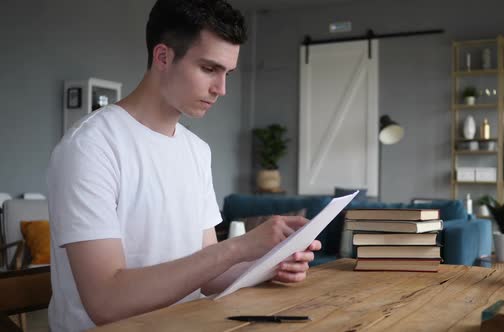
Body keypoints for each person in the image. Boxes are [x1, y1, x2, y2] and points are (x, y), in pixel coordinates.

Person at [46, 0, 321, 330]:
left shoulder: (196, 151)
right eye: (209, 69)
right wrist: (241, 246)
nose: (221, 89)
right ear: (163, 57)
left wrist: (270, 264)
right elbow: (106, 302)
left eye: (227, 73)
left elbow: (210, 276)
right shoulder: (90, 147)